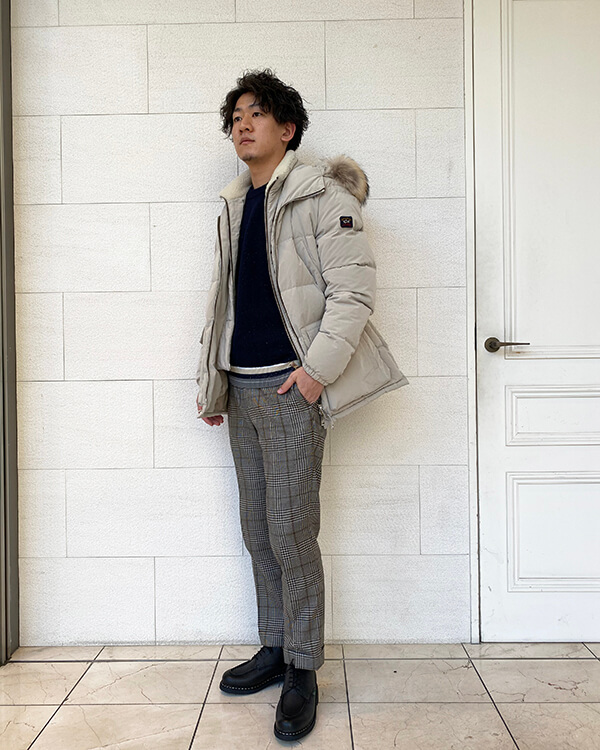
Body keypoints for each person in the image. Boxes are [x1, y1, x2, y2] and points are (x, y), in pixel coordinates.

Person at [195, 68, 408, 741]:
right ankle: (276, 645)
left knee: (291, 531)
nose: (242, 125)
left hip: (292, 387)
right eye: (235, 117)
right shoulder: (236, 202)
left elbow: (353, 295)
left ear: (287, 128)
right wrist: (214, 381)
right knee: (258, 528)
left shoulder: (321, 195)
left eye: (256, 114)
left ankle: (305, 668)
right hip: (243, 386)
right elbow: (226, 302)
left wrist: (314, 375)